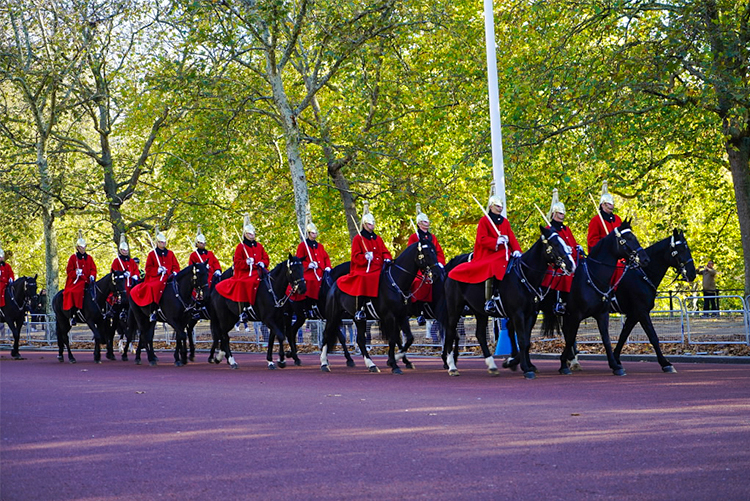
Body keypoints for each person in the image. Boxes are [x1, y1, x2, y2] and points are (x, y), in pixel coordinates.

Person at [447, 190, 522, 315]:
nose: (500, 208)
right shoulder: (484, 221)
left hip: (504, 253)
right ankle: (489, 300)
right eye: (498, 206)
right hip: (488, 254)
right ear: (491, 206)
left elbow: (512, 238)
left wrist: (517, 250)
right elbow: (481, 239)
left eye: (501, 206)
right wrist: (496, 241)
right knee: (493, 266)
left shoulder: (505, 222)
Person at [337, 201, 393, 321]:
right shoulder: (358, 239)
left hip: (378, 267)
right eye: (369, 224)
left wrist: (387, 258)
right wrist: (365, 257)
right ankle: (360, 308)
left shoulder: (378, 238)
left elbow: (384, 251)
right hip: (363, 268)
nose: (371, 226)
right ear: (364, 224)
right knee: (363, 278)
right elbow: (355, 257)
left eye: (372, 224)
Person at [215, 214, 270, 323]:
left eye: (253, 233)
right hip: (244, 274)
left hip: (258, 271)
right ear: (245, 234)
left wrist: (263, 263)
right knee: (245, 283)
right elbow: (237, 263)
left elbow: (266, 258)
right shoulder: (240, 247)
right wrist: (246, 262)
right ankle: (244, 309)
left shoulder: (259, 246)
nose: (252, 235)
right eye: (250, 234)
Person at [540, 189, 581, 315]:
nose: (561, 216)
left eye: (563, 214)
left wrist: (577, 248)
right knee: (562, 275)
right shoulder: (549, 229)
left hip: (569, 259)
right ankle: (559, 302)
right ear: (554, 214)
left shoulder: (566, 229)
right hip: (555, 262)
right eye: (559, 214)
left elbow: (572, 243)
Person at [129, 226, 180, 321]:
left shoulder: (170, 253)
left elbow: (176, 266)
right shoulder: (152, 254)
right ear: (157, 243)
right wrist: (158, 270)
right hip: (156, 278)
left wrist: (175, 272)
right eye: (161, 242)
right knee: (154, 286)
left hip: (169, 276)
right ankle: (154, 310)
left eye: (164, 242)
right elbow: (148, 268)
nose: (163, 244)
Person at [407, 203, 446, 324]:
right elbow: (411, 253)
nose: (427, 224)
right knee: (420, 282)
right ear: (419, 224)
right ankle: (420, 312)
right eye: (424, 222)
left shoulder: (432, 237)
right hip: (421, 267)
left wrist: (440, 263)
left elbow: (438, 251)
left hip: (433, 265)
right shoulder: (414, 237)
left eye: (427, 221)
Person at [291, 209, 332, 309]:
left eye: (315, 233)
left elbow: (326, 257)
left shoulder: (320, 246)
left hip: (320, 271)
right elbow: (299, 261)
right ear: (308, 233)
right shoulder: (302, 246)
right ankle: (309, 305)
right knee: (310, 281)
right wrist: (308, 265)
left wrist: (328, 267)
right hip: (308, 272)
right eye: (312, 233)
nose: (314, 235)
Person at [587, 180, 624, 285]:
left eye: (611, 203)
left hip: (618, 256)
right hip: (604, 257)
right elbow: (592, 241)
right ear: (603, 205)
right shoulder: (596, 220)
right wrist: (606, 245)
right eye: (608, 204)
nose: (611, 206)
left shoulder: (617, 219)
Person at [63, 231, 98, 325]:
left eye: (84, 247)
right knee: (74, 292)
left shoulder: (89, 258)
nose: (83, 249)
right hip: (76, 281)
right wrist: (76, 273)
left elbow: (93, 269)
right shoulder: (73, 258)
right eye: (81, 247)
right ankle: (73, 314)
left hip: (87, 280)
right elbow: (69, 271)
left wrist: (92, 275)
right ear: (78, 248)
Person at [0, 243, 15, 321]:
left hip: (7, 283)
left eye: (2, 257)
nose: (1, 258)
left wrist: (11, 279)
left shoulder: (7, 266)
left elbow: (11, 273)